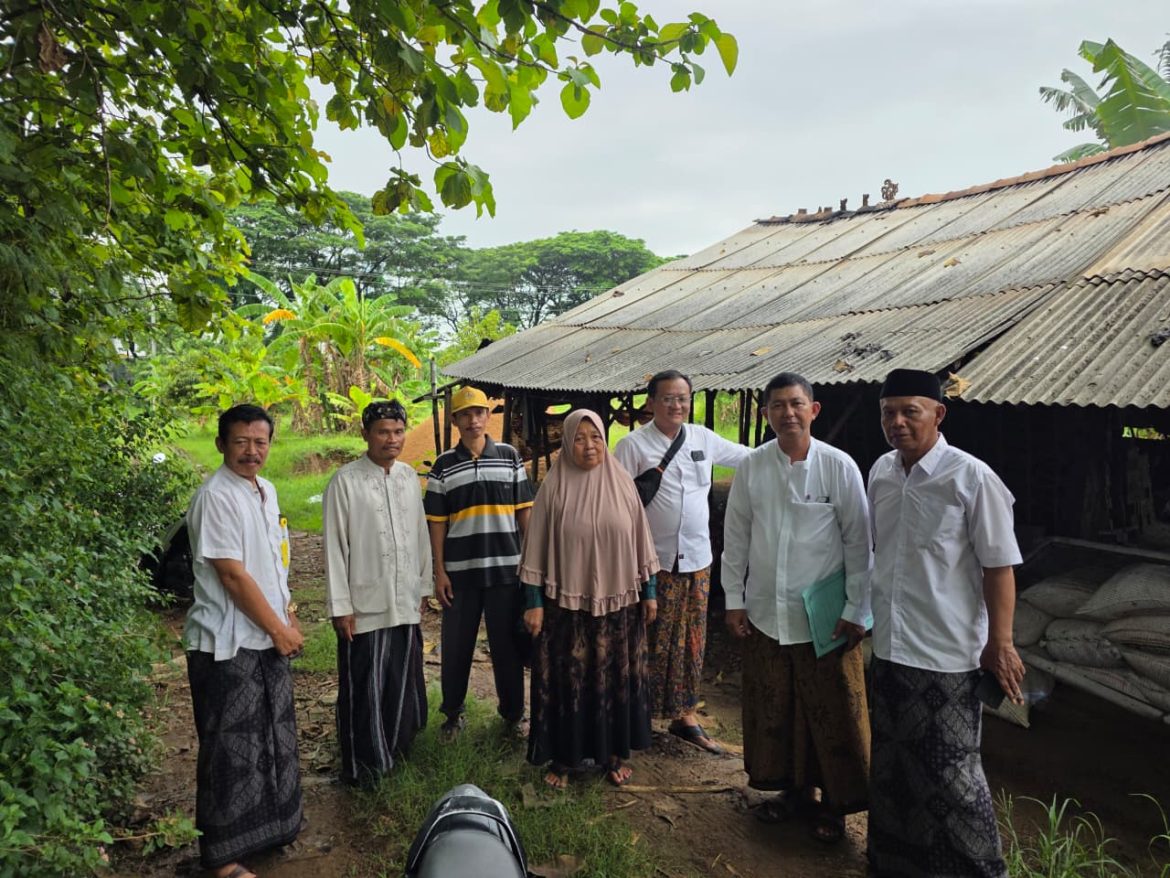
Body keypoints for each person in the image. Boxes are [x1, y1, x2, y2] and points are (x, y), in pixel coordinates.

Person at [867, 368, 1025, 878]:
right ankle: (896, 865)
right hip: (890, 647)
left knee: (952, 778)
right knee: (892, 770)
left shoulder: (971, 477)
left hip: (947, 654)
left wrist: (999, 642)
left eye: (910, 411)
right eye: (888, 412)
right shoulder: (881, 473)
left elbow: (999, 566)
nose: (897, 422)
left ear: (938, 415)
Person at [721, 373, 872, 844]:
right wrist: (733, 599)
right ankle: (792, 793)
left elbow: (859, 543)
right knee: (777, 708)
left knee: (832, 712)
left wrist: (856, 608)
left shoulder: (838, 466)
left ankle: (836, 806)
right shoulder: (753, 467)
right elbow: (736, 537)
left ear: (814, 410)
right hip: (767, 612)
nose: (787, 413)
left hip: (824, 617)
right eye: (778, 406)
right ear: (766, 413)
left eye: (796, 404)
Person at [183, 404, 303, 878]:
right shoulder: (216, 496)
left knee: (272, 738)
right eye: (241, 442)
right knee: (230, 749)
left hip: (268, 634)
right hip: (226, 642)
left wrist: (288, 611)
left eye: (261, 442)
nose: (253, 452)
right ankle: (223, 858)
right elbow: (231, 575)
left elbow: (274, 559)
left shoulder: (266, 490)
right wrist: (278, 629)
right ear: (220, 444)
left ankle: (271, 827)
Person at [520, 409, 660, 788]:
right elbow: (534, 550)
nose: (588, 446)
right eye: (579, 438)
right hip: (567, 609)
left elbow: (640, 542)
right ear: (567, 442)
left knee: (614, 679)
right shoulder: (553, 487)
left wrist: (649, 594)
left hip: (619, 607)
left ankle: (611, 756)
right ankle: (565, 758)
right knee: (569, 680)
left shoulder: (622, 484)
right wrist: (533, 602)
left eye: (595, 437)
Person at [613, 370, 749, 752]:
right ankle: (640, 711)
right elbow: (616, 504)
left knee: (692, 639)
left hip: (698, 559)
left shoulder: (703, 437)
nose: (677, 405)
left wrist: (791, 448)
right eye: (668, 398)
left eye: (683, 398)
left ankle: (684, 713)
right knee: (650, 637)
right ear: (651, 403)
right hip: (652, 562)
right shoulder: (633, 446)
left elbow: (747, 458)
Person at [324, 400, 431, 786]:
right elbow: (335, 547)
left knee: (400, 680)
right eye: (383, 432)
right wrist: (340, 606)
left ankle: (397, 752)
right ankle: (364, 766)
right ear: (365, 434)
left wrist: (424, 585)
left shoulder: (407, 477)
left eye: (398, 432)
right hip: (364, 605)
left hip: (403, 599)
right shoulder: (346, 481)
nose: (393, 439)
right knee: (364, 687)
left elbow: (420, 535)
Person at [425, 386, 534, 737]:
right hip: (460, 574)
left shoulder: (509, 457)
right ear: (455, 420)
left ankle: (512, 715)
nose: (474, 420)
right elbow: (437, 523)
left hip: (506, 571)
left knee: (507, 647)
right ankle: (452, 714)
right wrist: (439, 570)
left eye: (479, 413)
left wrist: (531, 564)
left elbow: (525, 515)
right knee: (457, 646)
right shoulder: (443, 466)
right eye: (465, 414)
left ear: (488, 416)